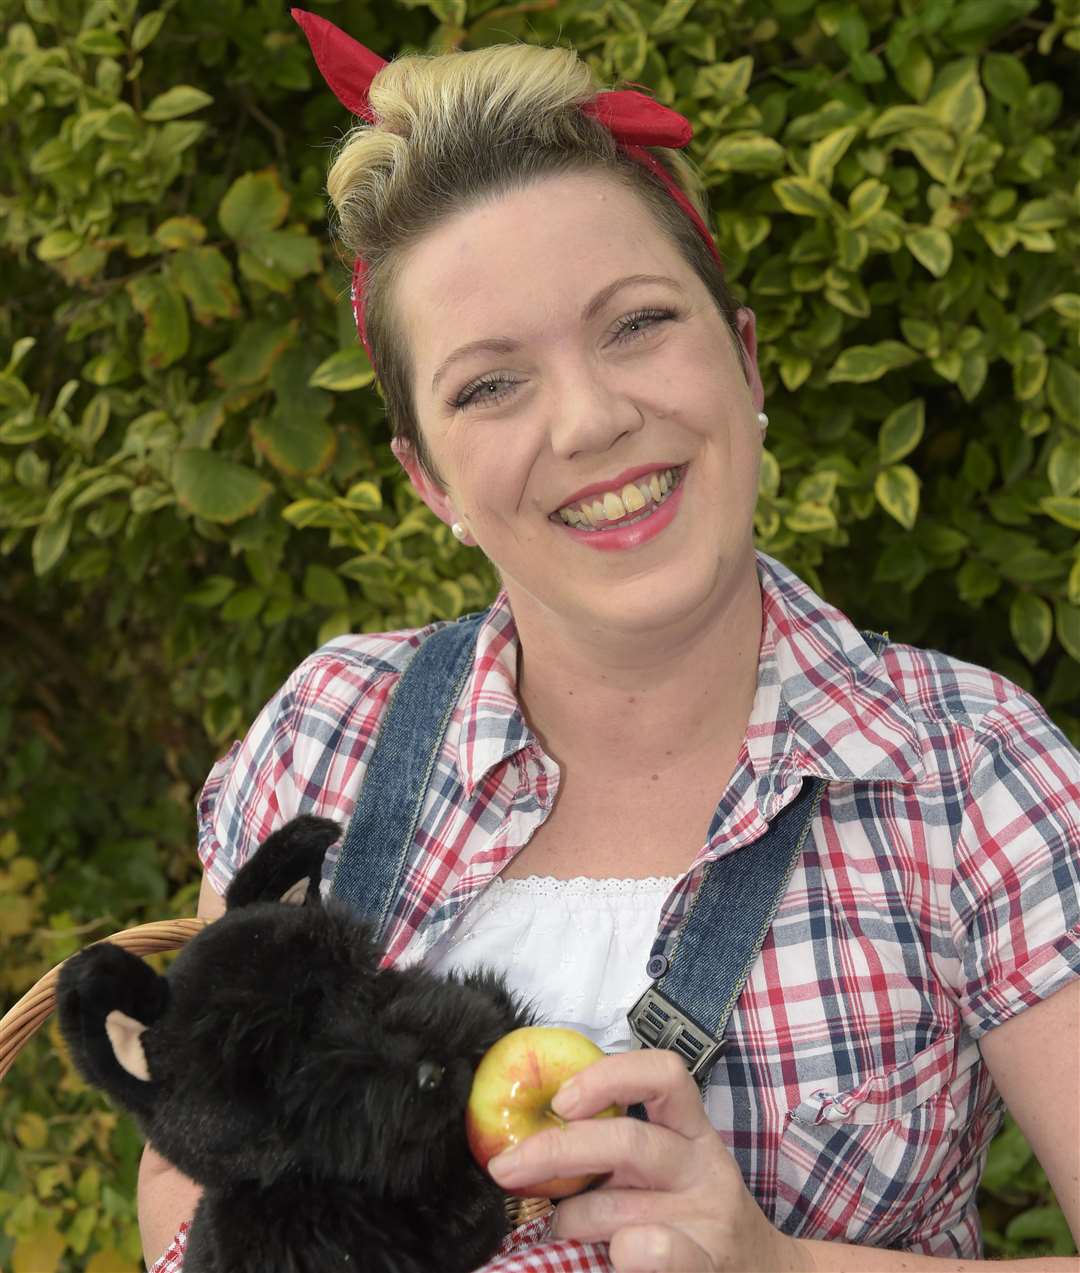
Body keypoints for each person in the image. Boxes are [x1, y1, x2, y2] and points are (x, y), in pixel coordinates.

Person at [139, 10, 1080, 1272]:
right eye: (489, 383)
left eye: (637, 322)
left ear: (745, 362)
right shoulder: (331, 734)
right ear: (429, 481)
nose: (590, 419)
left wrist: (783, 1264)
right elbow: (182, 1149)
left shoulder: (969, 775)